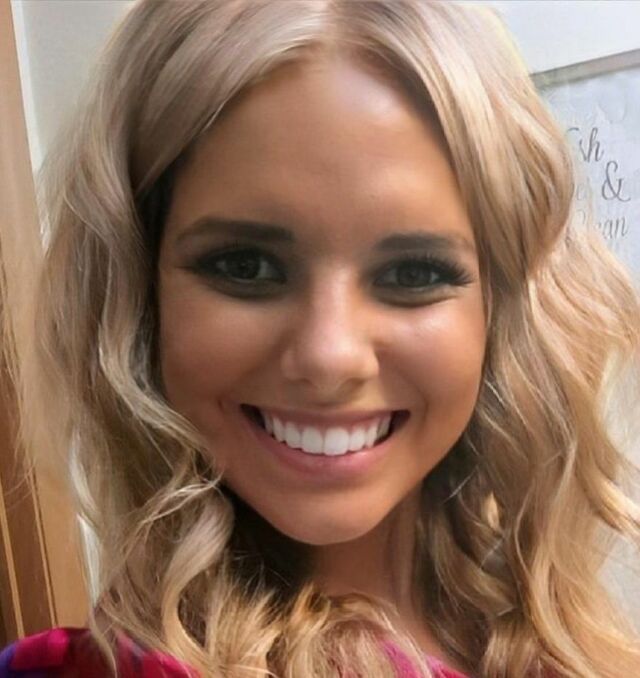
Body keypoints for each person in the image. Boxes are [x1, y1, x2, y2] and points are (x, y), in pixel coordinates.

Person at [2, 0, 639, 676]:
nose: (330, 356)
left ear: (501, 306)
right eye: (245, 266)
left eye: (414, 273)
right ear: (138, 294)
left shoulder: (548, 631)